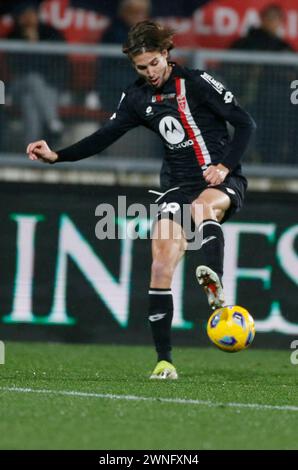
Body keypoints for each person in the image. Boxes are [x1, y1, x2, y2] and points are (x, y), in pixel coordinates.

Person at [26, 20, 256, 380]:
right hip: (176, 186)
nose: (149, 72)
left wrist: (225, 166)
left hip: (219, 178)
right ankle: (164, 361)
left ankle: (216, 285)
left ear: (166, 54)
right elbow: (103, 137)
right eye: (140, 67)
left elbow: (246, 124)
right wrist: (57, 156)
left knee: (201, 209)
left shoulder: (196, 82)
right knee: (161, 265)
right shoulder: (136, 98)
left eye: (153, 63)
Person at [230, 4, 295, 163]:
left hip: (279, 107)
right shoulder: (245, 44)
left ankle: (274, 161)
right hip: (244, 99)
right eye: (269, 18)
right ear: (261, 19)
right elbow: (229, 70)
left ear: (282, 22)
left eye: (276, 19)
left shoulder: (283, 47)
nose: (272, 22)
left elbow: (293, 75)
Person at [7, 1, 66, 146]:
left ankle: (31, 153)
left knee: (29, 101)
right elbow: (17, 69)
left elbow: (58, 65)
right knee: (33, 79)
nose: (28, 18)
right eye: (24, 15)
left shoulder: (51, 33)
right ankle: (53, 121)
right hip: (16, 88)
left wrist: (36, 43)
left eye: (31, 14)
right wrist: (30, 44)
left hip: (48, 88)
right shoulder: (13, 35)